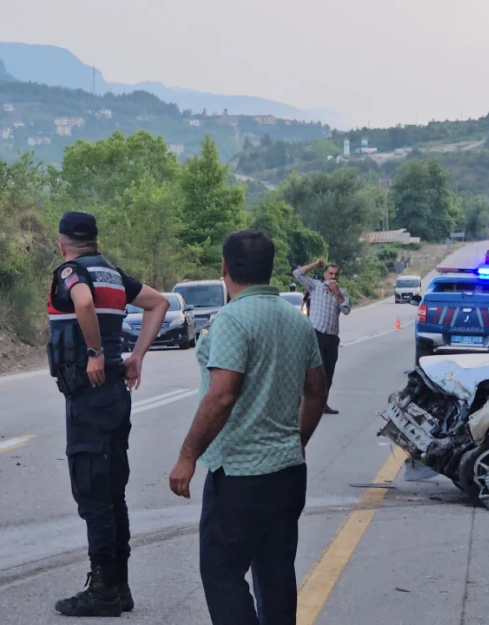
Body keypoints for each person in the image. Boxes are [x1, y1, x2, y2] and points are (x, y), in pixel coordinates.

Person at [169, 230, 327, 625]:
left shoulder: (232, 320)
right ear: (270, 269)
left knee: (222, 573)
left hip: (240, 476)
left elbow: (222, 395)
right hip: (288, 473)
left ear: (225, 267)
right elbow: (316, 392)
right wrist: (298, 439)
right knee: (275, 574)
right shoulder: (296, 321)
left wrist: (188, 456)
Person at [48, 211, 170, 618]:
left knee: (92, 491)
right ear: (96, 241)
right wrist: (136, 356)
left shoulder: (70, 271)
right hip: (117, 393)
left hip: (90, 395)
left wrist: (96, 353)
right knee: (113, 491)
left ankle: (103, 590)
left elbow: (81, 300)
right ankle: (119, 587)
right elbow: (159, 302)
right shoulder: (114, 275)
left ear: (62, 243)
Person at [293, 258, 350, 414]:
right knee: (320, 370)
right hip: (316, 333)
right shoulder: (316, 286)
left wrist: (337, 293)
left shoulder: (342, 292)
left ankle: (322, 403)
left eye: (336, 274)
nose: (333, 276)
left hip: (332, 337)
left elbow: (346, 310)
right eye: (330, 273)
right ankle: (310, 403)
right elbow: (297, 273)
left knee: (329, 373)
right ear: (325, 274)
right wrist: (315, 265)